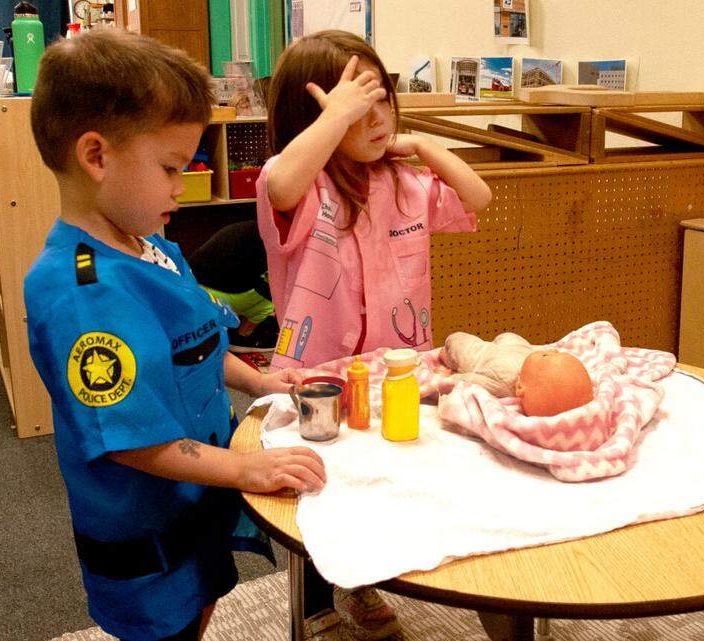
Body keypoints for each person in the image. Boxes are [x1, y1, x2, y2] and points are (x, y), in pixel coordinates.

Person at [23, 30, 326, 641]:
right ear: (96, 156)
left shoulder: (151, 247)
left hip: (196, 502)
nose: (181, 186)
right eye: (169, 168)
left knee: (204, 604)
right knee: (171, 628)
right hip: (147, 541)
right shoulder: (84, 297)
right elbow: (131, 441)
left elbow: (198, 343)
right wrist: (249, 470)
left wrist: (259, 379)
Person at [255, 30, 492, 640]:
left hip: (397, 368)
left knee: (386, 480)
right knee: (317, 488)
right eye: (357, 105)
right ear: (317, 116)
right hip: (316, 375)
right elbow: (279, 184)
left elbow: (477, 195)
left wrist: (422, 145)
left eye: (383, 98)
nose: (377, 117)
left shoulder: (403, 182)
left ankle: (361, 586)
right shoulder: (300, 185)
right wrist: (338, 118)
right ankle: (314, 605)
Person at [187, 221, 280, 363]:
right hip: (216, 293)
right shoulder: (280, 241)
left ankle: (234, 324)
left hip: (193, 283)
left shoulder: (262, 225)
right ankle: (243, 336)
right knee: (270, 298)